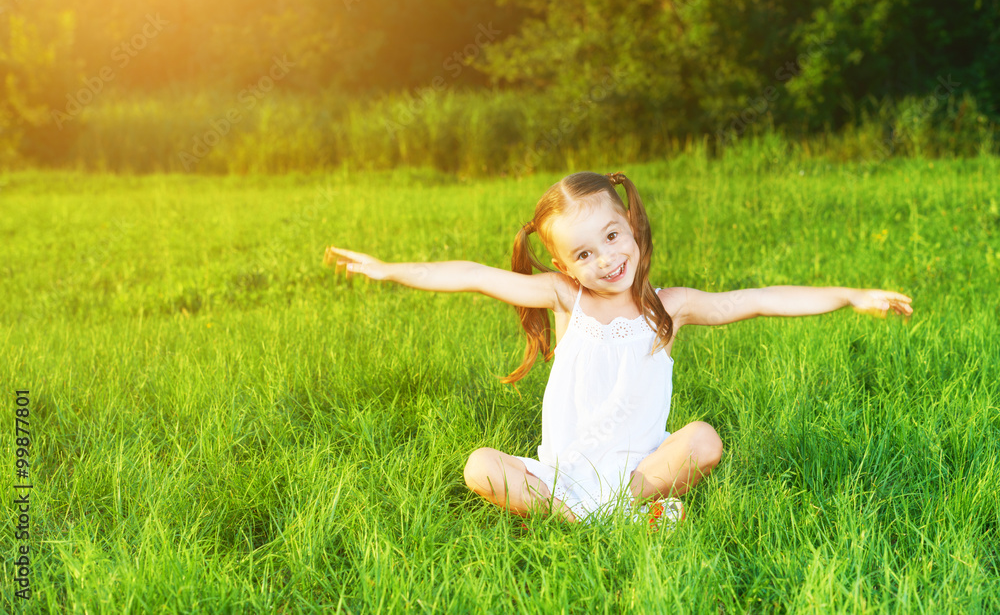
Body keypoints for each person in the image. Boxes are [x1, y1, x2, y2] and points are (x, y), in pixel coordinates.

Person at [324, 171, 913, 527]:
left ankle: (628, 511)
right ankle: (595, 522)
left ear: (629, 225)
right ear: (562, 264)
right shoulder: (565, 299)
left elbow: (756, 299)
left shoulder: (671, 306)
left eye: (611, 236)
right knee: (481, 465)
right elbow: (473, 275)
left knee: (704, 438)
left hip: (639, 473)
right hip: (561, 477)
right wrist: (387, 269)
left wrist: (849, 294)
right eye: (584, 254)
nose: (606, 259)